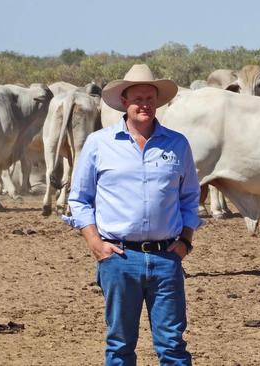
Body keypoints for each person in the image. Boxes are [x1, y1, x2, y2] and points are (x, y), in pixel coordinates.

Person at [63, 64, 201, 365]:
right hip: (119, 258)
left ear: (158, 102)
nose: (145, 105)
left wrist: (185, 241)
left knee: (173, 346)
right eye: (138, 98)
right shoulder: (100, 144)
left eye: (150, 98)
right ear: (124, 102)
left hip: (167, 257)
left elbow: (190, 197)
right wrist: (96, 244)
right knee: (120, 345)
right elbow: (79, 199)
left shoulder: (178, 144)